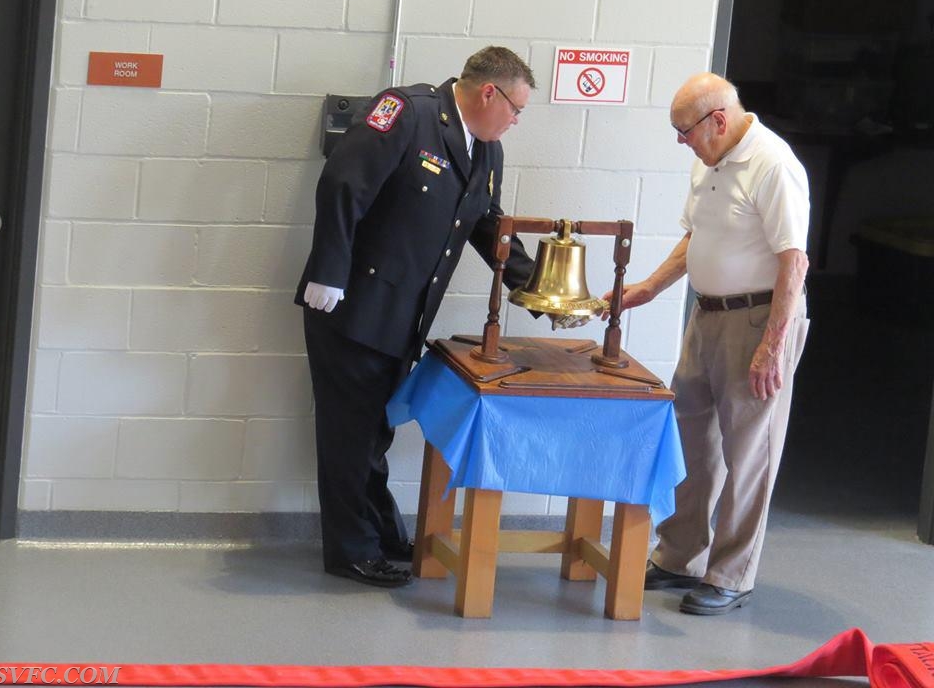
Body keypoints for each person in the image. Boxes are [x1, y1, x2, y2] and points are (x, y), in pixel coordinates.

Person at [296, 46, 577, 588]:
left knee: (373, 432)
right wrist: (328, 270)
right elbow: (342, 183)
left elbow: (488, 228)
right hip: (351, 305)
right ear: (488, 92)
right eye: (516, 109)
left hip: (403, 316)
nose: (517, 121)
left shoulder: (486, 150)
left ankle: (377, 532)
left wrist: (542, 293)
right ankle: (351, 550)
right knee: (349, 434)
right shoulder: (408, 113)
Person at [618, 72, 811, 615]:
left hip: (758, 321)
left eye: (685, 131)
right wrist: (650, 287)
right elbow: (694, 237)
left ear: (717, 121)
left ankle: (732, 574)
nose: (681, 142)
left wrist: (772, 348)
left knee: (749, 450)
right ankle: (680, 556)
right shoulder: (709, 161)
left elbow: (793, 263)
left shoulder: (774, 164)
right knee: (692, 442)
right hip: (705, 317)